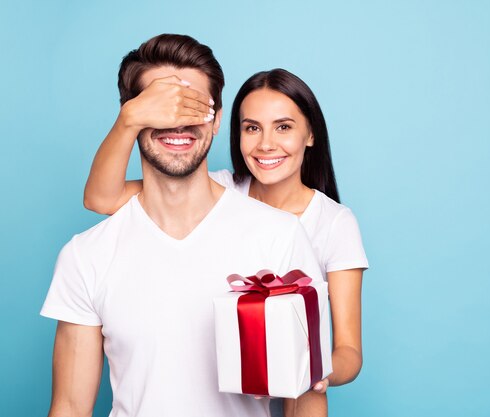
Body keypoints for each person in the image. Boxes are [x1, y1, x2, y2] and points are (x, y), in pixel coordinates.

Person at [41, 34, 325, 417]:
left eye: (193, 106)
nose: (178, 122)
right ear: (131, 116)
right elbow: (70, 407)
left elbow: (305, 396)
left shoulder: (279, 236)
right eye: (161, 107)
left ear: (218, 119)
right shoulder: (86, 254)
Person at [84, 66, 368, 417]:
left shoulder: (334, 223)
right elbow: (101, 198)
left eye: (284, 127)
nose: (266, 144)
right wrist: (130, 118)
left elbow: (349, 351)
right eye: (251, 128)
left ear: (311, 134)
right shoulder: (217, 191)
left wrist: (311, 370)